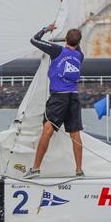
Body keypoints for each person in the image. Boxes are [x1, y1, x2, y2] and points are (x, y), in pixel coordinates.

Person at [24, 24, 85, 179]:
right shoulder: (79, 55)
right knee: (75, 134)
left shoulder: (57, 50)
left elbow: (34, 39)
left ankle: (36, 168)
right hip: (74, 96)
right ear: (79, 43)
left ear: (65, 40)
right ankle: (79, 170)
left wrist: (46, 29)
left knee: (47, 130)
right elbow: (75, 47)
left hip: (59, 97)